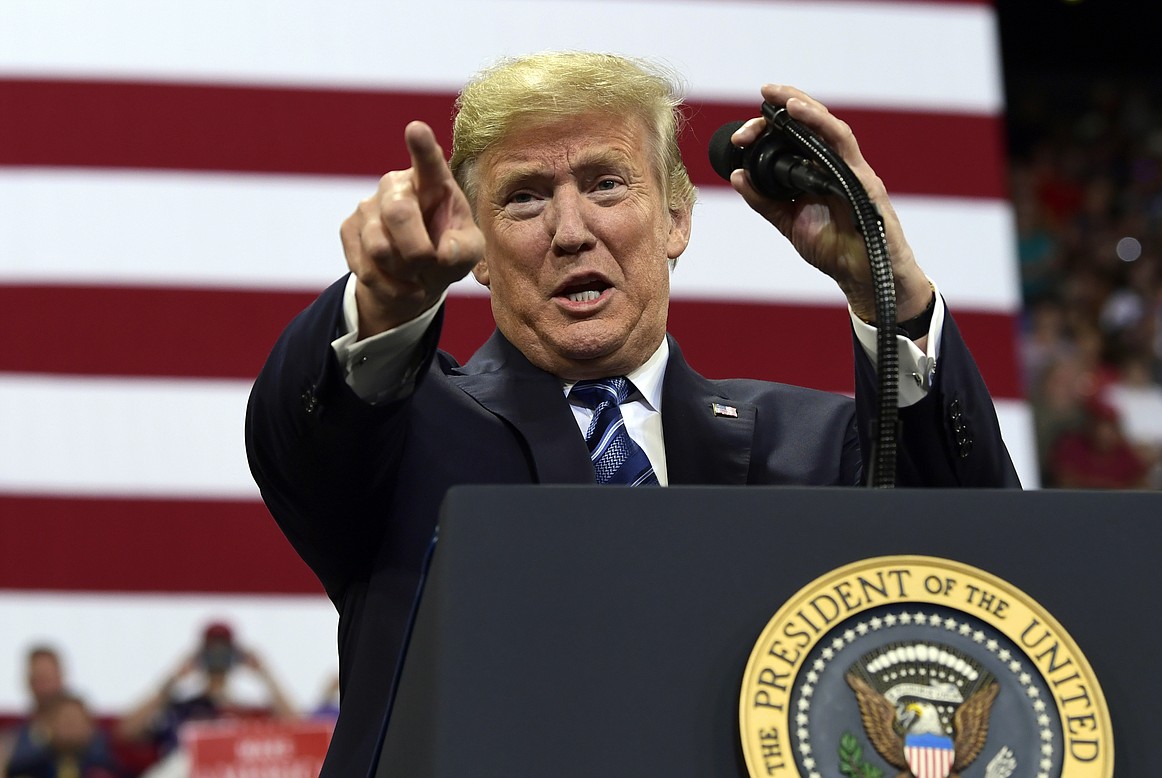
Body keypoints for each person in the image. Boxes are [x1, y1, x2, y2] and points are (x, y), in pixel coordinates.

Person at [245, 51, 1019, 775]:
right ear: (477, 248)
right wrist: (379, 306)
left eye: (607, 184)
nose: (572, 231)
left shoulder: (816, 447)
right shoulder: (406, 432)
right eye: (525, 198)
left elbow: (990, 569)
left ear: (677, 218)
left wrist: (896, 290)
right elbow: (301, 434)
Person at [116, 623, 298, 763]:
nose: (218, 655)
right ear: (199, 655)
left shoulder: (249, 713)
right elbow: (126, 731)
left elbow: (298, 729)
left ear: (236, 655)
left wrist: (265, 674)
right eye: (211, 649)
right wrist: (172, 679)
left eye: (224, 649)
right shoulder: (179, 709)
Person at [4, 695, 122, 778]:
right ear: (48, 727)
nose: (70, 727)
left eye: (75, 721)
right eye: (64, 721)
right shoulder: (29, 768)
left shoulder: (107, 768)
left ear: (90, 728)